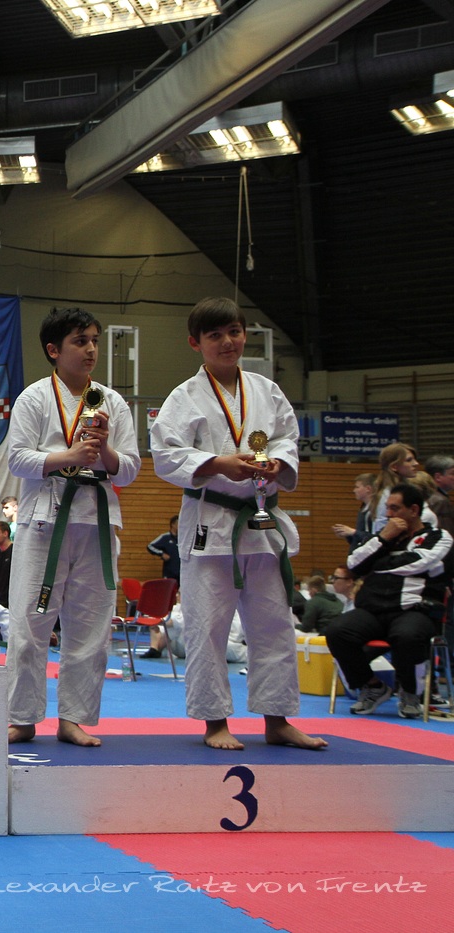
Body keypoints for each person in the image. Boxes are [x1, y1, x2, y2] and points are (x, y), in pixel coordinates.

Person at [150, 296, 326, 751]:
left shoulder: (267, 390)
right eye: (215, 335)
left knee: (274, 623)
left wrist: (278, 464)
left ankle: (277, 720)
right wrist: (217, 463)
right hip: (211, 521)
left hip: (262, 521)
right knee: (208, 625)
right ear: (195, 343)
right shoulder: (183, 398)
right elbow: (165, 455)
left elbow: (286, 438)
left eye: (234, 332)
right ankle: (215, 722)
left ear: (245, 334)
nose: (227, 342)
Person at [5, 308, 140, 748]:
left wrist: (104, 453)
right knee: (29, 624)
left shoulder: (112, 402)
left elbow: (130, 469)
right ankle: (22, 717)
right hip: (43, 521)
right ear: (53, 350)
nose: (91, 349)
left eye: (95, 340)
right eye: (81, 341)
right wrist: (70, 456)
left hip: (96, 520)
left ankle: (73, 719)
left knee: (91, 625)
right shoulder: (33, 399)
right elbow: (17, 458)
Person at [326, 483, 450, 718]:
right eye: (387, 508)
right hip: (372, 611)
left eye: (395, 508)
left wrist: (376, 565)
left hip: (414, 610)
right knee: (337, 631)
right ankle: (372, 686)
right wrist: (383, 539)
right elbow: (354, 564)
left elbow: (418, 562)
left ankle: (410, 693)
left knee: (407, 635)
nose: (389, 514)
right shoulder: (384, 537)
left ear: (413, 510)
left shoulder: (438, 536)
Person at [370, 443, 421, 536]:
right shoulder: (389, 495)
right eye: (409, 460)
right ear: (394, 467)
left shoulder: (408, 489)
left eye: (414, 459)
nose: (416, 463)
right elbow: (382, 528)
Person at [331, 473, 375, 553]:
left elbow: (375, 539)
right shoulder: (363, 509)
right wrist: (348, 534)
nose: (354, 490)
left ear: (368, 489)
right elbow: (359, 541)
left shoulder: (375, 511)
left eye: (357, 487)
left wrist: (353, 532)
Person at [147, 516, 181, 582]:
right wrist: (162, 554)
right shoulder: (165, 537)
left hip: (181, 573)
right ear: (173, 525)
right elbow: (150, 546)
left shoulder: (182, 538)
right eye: (179, 524)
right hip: (169, 573)